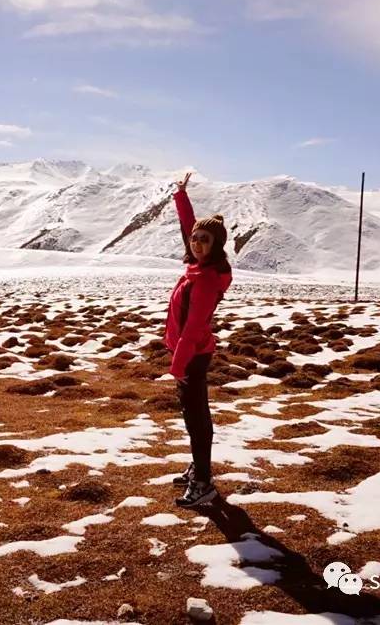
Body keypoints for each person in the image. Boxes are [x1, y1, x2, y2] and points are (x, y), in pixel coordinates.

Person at [164, 171, 233, 508]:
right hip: (189, 354)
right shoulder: (198, 264)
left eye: (204, 240)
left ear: (216, 245)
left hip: (192, 355)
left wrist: (178, 365)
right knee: (193, 415)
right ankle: (199, 468)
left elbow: (193, 328)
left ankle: (203, 483)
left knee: (196, 417)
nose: (196, 243)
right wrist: (181, 196)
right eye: (195, 239)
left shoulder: (205, 280)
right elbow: (189, 227)